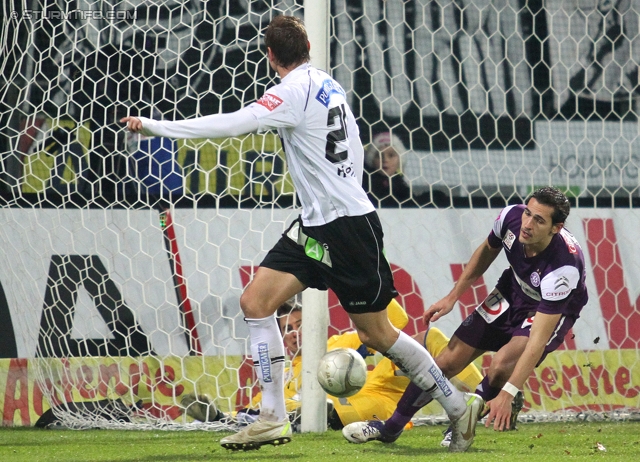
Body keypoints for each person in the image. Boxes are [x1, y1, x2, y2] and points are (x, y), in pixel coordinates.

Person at [122, 15, 483, 453]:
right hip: (316, 225)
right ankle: (271, 417)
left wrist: (157, 126)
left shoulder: (289, 93)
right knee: (256, 302)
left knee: (377, 335)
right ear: (308, 46)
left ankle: (457, 407)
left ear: (270, 56)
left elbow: (232, 124)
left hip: (347, 228)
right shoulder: (329, 84)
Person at [342, 187, 588, 445]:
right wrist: (452, 297)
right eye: (528, 213)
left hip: (550, 309)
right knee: (446, 361)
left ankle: (463, 423)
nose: (528, 224)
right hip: (512, 290)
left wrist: (507, 392)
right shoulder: (510, 219)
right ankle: (390, 428)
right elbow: (486, 251)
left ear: (555, 228)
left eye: (539, 220)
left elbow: (537, 342)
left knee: (501, 365)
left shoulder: (562, 270)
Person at [240, 300, 482, 430]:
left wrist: (364, 286)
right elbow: (257, 409)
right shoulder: (283, 374)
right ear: (280, 338)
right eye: (288, 330)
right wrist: (221, 416)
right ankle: (316, 415)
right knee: (291, 408)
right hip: (345, 412)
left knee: (430, 338)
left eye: (300, 324)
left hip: (377, 390)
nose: (295, 333)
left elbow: (396, 322)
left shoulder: (338, 343)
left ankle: (485, 399)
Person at [363, 132, 411, 207]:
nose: (385, 160)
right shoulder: (365, 185)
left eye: (391, 155)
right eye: (379, 155)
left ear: (400, 159)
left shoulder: (401, 187)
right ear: (371, 160)